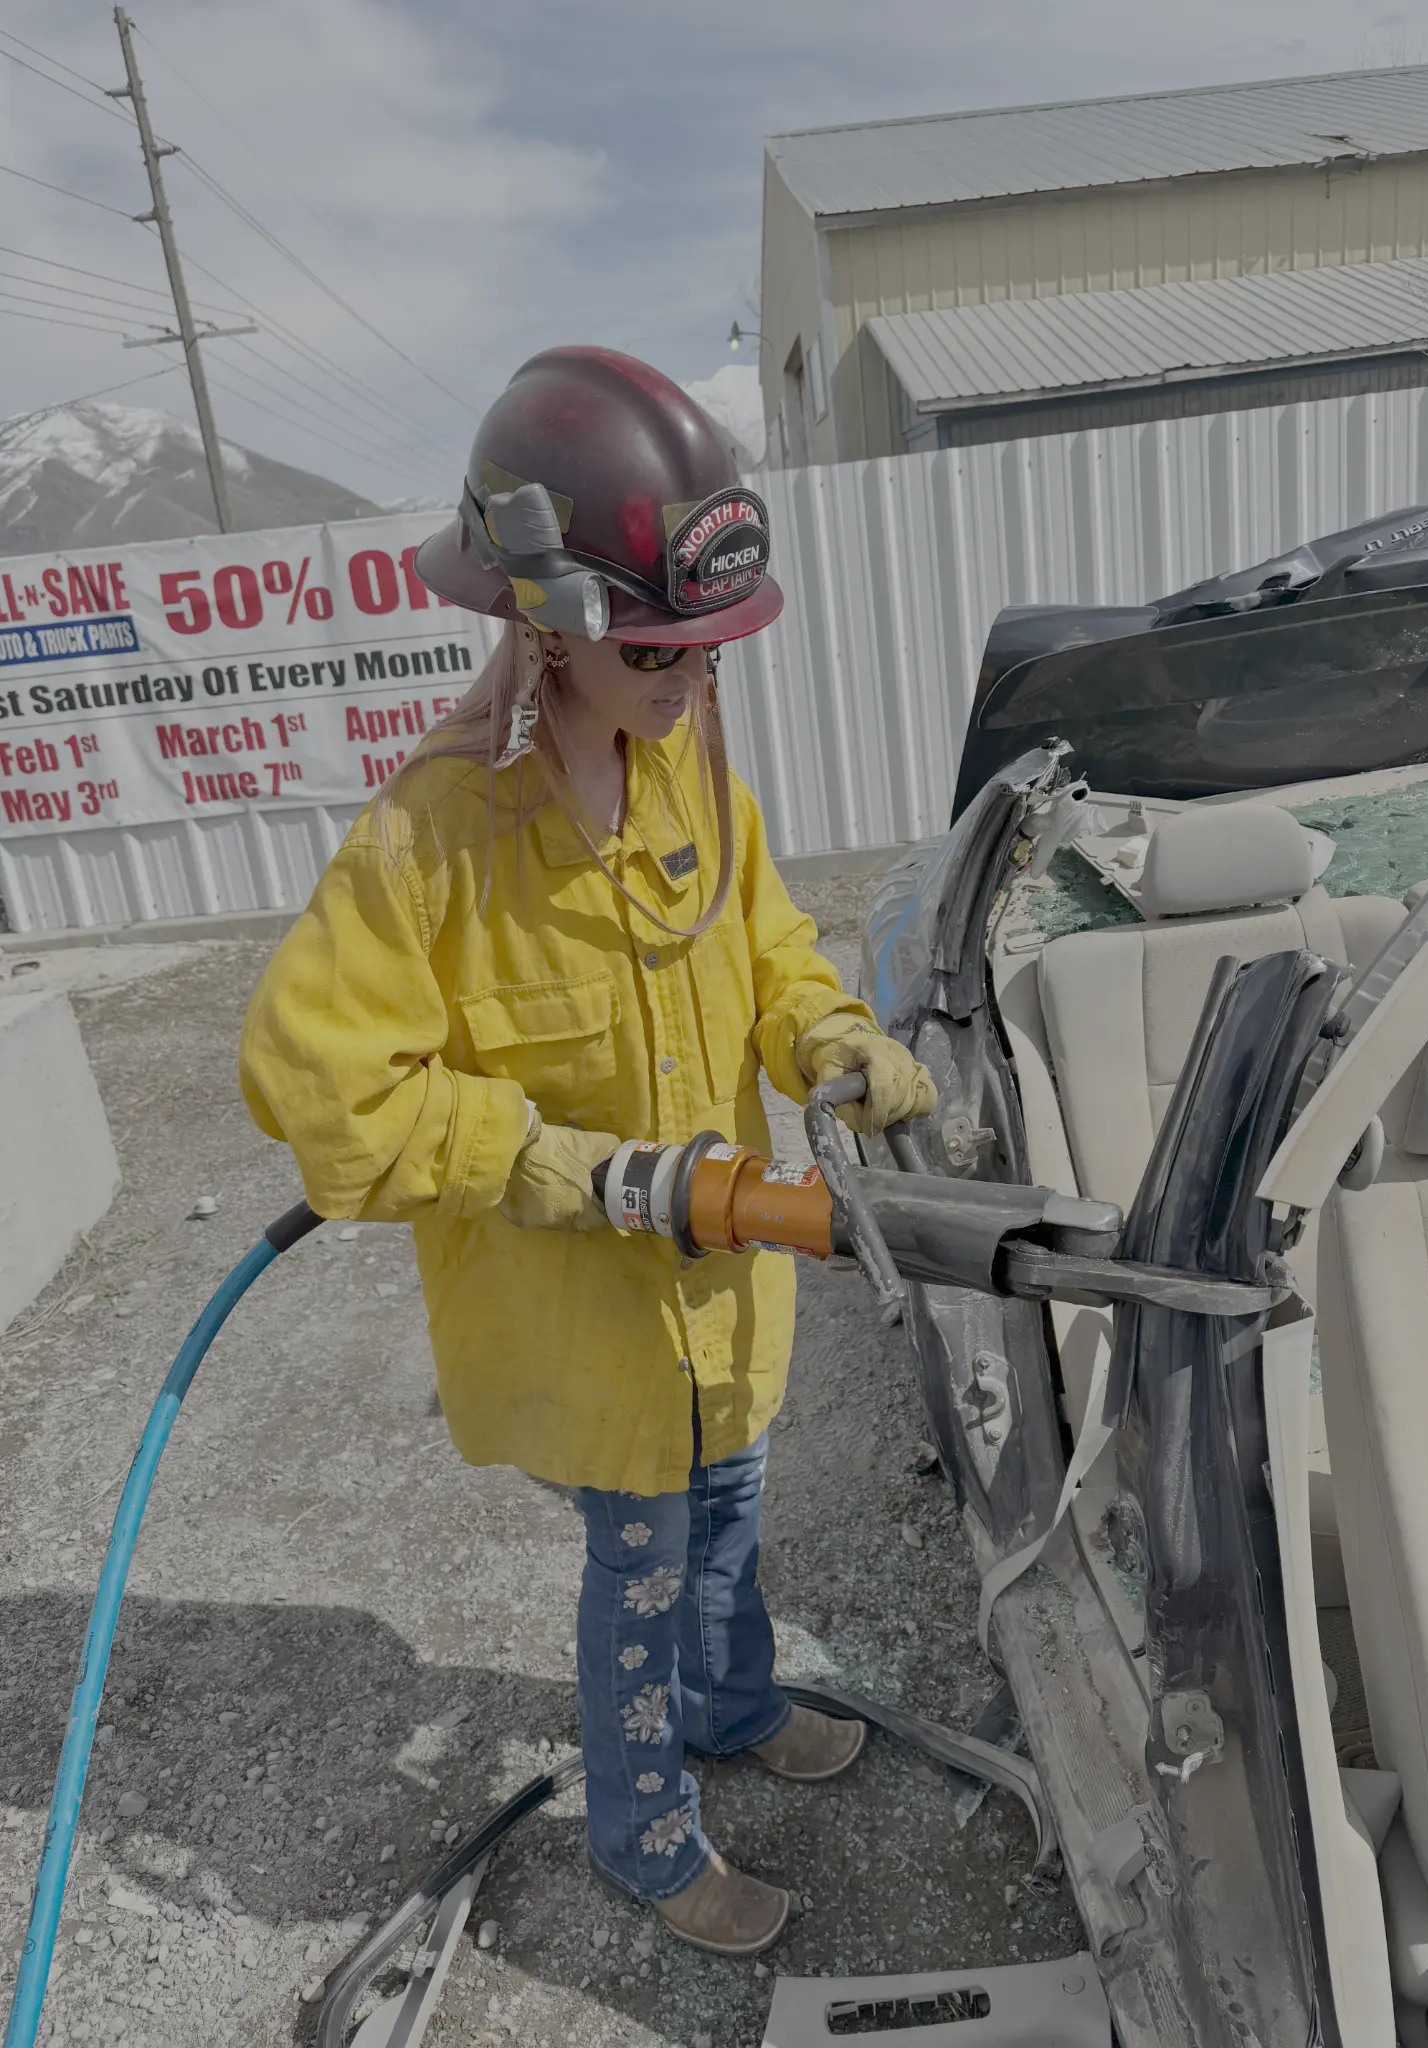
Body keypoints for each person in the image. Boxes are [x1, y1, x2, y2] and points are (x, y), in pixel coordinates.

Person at [238, 347, 935, 1959]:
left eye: (711, 651)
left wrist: (822, 1037)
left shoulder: (691, 760)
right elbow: (319, 1085)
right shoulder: (433, 835)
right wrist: (587, 1174)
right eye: (664, 652)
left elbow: (761, 941)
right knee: (639, 1576)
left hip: (724, 1305)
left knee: (738, 1513)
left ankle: (741, 1707)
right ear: (551, 621)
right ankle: (646, 1840)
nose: (695, 681)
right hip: (583, 1333)